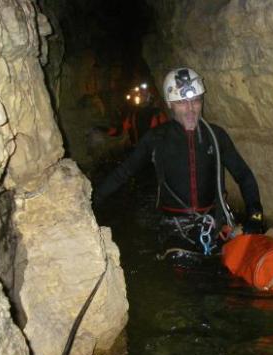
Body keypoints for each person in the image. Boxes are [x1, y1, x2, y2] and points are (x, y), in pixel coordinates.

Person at [93, 67, 264, 260]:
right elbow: (124, 172)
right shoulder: (157, 138)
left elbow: (243, 175)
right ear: (170, 104)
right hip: (174, 226)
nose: (191, 109)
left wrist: (255, 215)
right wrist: (93, 201)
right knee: (185, 268)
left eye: (196, 101)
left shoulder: (216, 136)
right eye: (182, 102)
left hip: (214, 223)